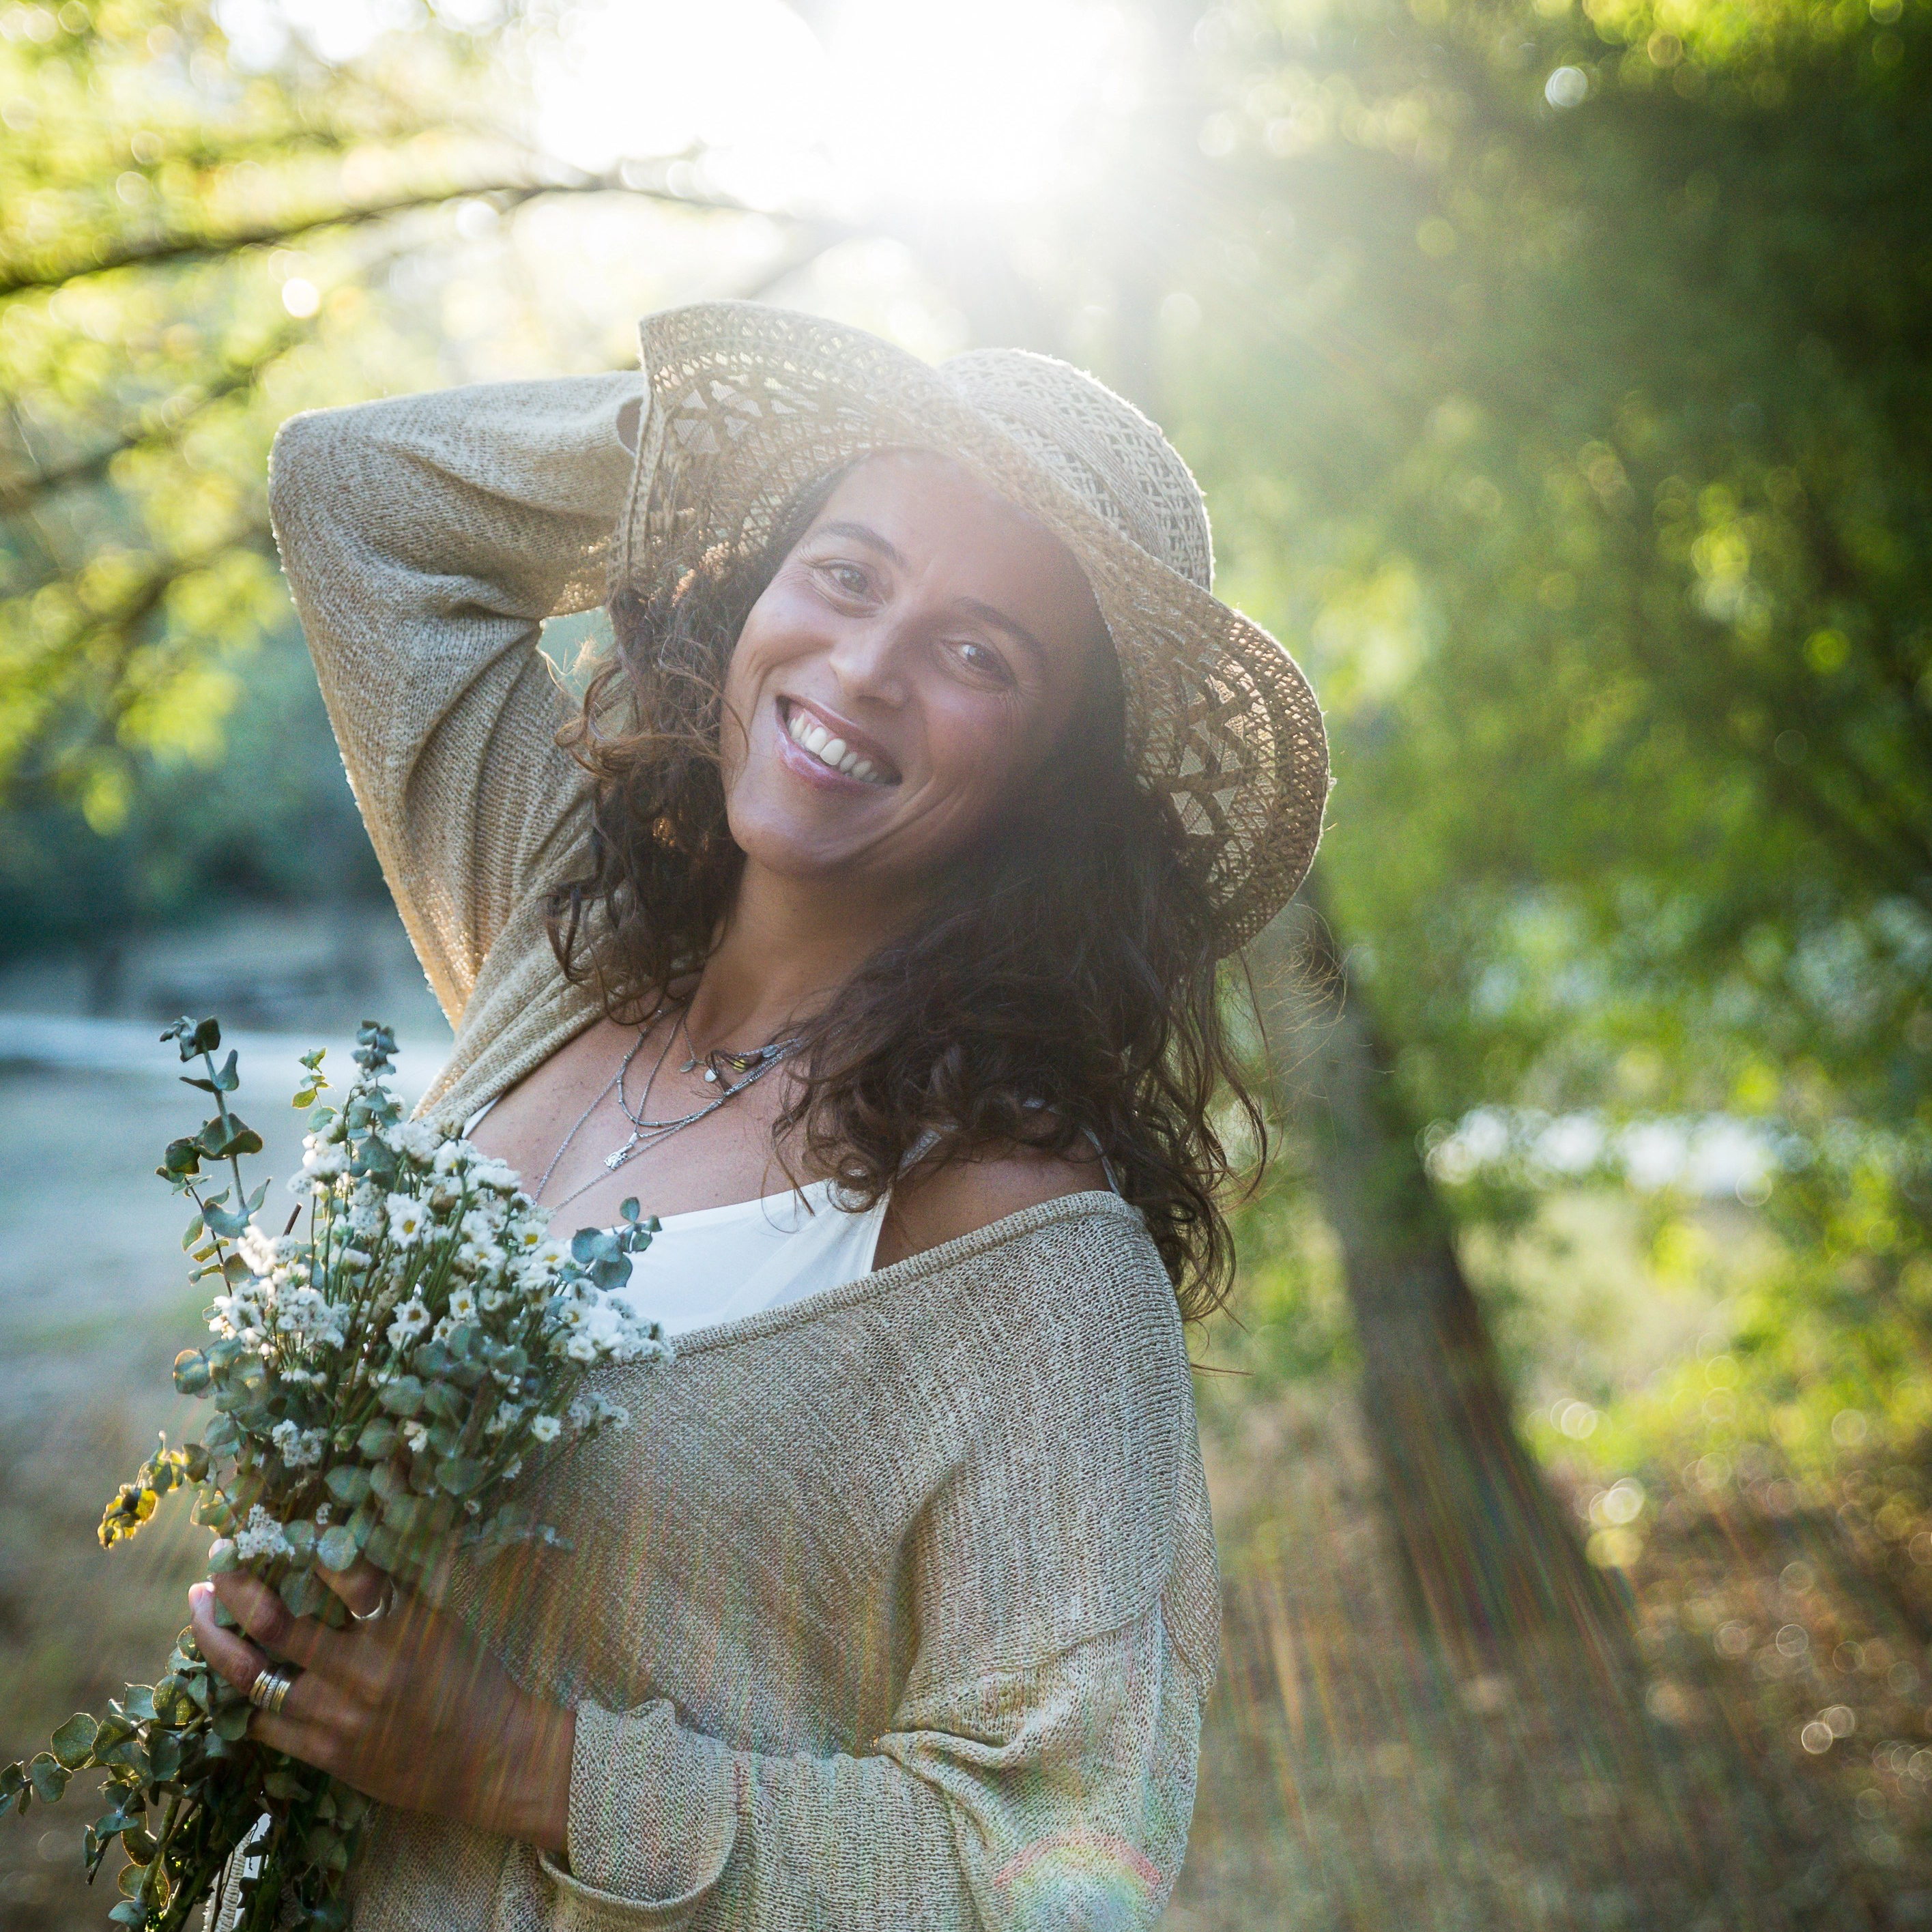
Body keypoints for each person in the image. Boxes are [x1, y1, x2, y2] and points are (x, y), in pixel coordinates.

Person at [186, 302, 1327, 1929]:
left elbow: (1055, 1875)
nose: (864, 666)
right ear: (756, 587)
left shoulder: (1023, 1252)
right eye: (845, 571)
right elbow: (353, 493)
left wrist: (526, 1763)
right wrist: (748, 441)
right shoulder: (563, 934)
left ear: (1058, 786)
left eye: (980, 651)